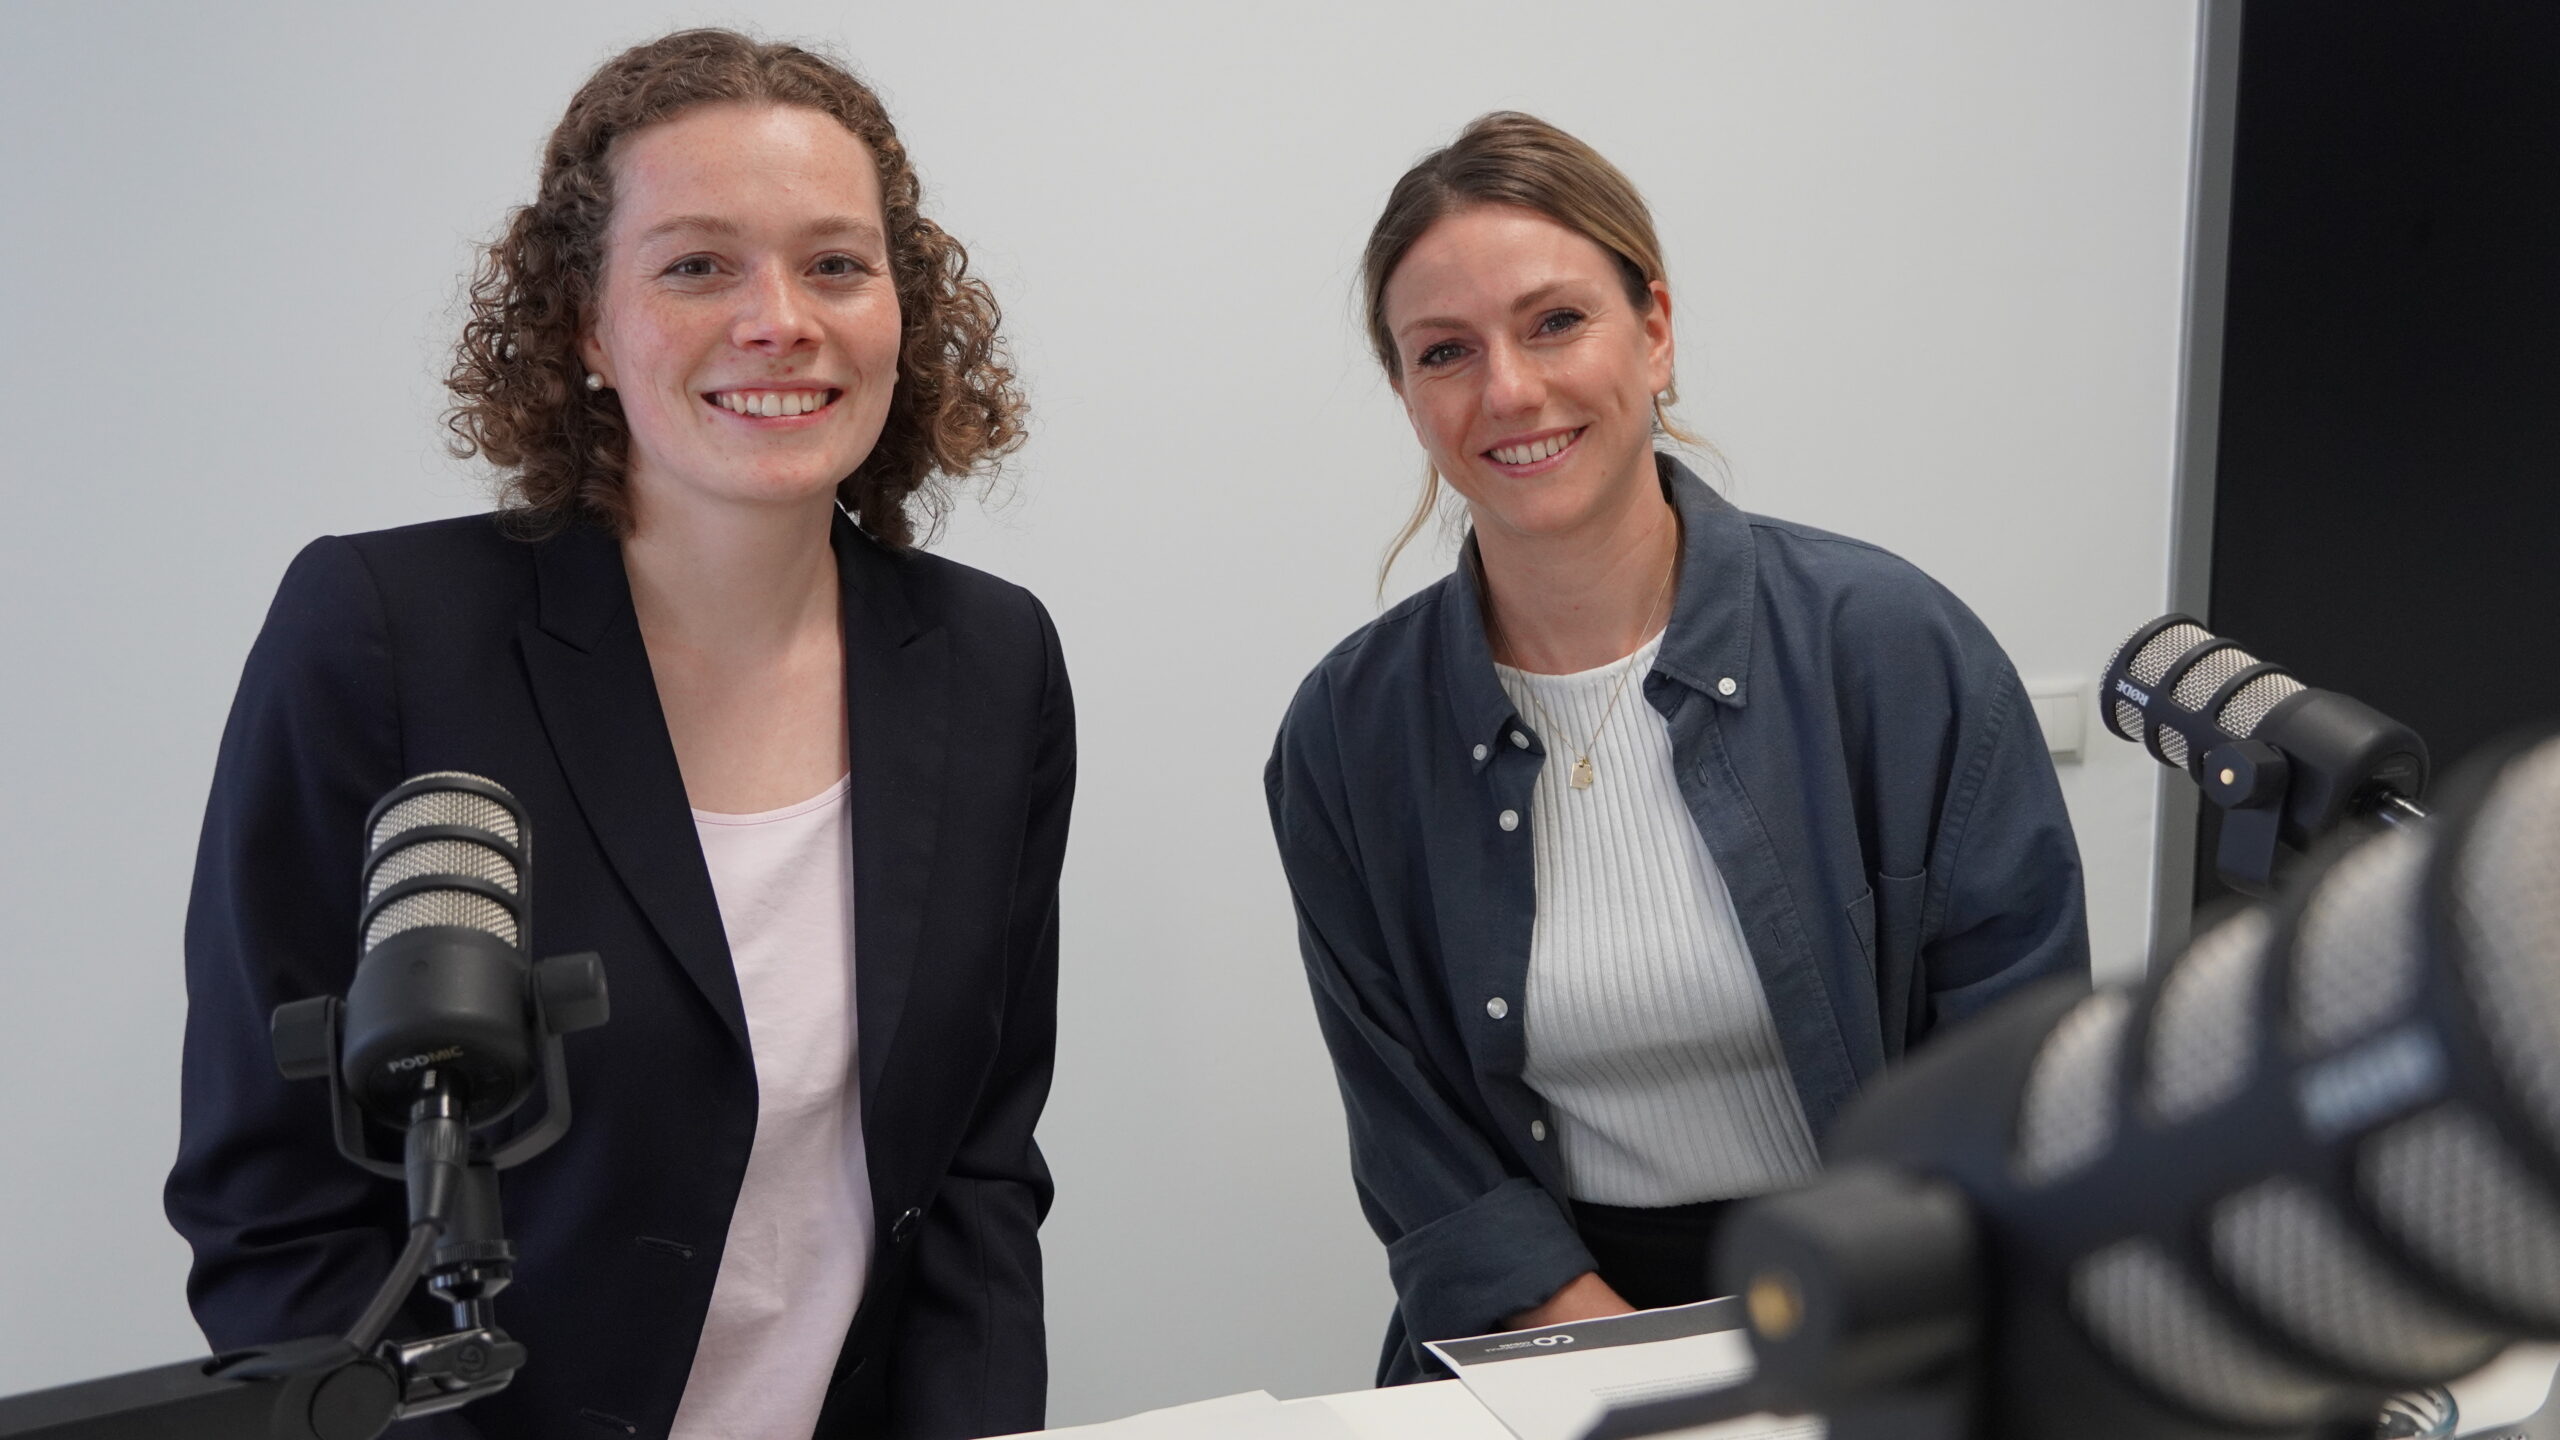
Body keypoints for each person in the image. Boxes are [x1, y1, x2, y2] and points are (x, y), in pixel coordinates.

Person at [165, 30, 1070, 1440]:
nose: (781, 318)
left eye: (836, 262)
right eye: (698, 264)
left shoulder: (991, 659)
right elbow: (272, 1210)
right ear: (585, 324)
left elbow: (977, 1178)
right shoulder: (382, 633)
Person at [1263, 112, 2089, 1385]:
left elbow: (2019, 1069)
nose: (1509, 392)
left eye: (1554, 322)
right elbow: (1418, 1150)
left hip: (1888, 1309)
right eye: (1445, 352)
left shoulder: (1891, 649)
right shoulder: (1346, 736)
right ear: (1405, 393)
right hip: (1540, 1340)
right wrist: (1625, 1370)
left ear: (1653, 331)